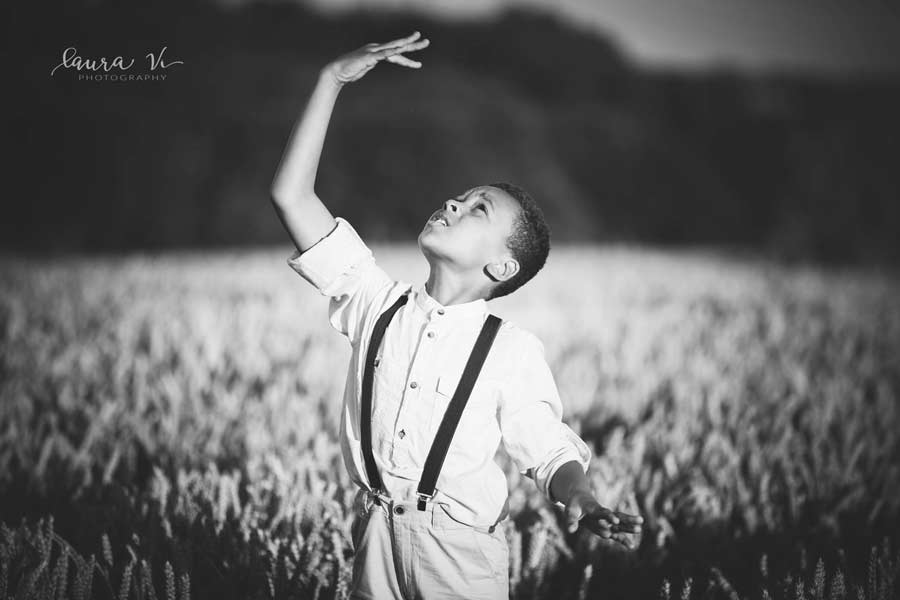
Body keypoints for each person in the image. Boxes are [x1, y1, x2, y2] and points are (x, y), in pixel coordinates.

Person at [270, 31, 643, 600]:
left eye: (477, 209)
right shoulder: (374, 299)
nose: (452, 203)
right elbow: (292, 197)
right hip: (373, 536)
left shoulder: (510, 350)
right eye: (459, 197)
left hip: (460, 555)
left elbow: (547, 449)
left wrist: (582, 499)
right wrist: (330, 82)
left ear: (501, 266)